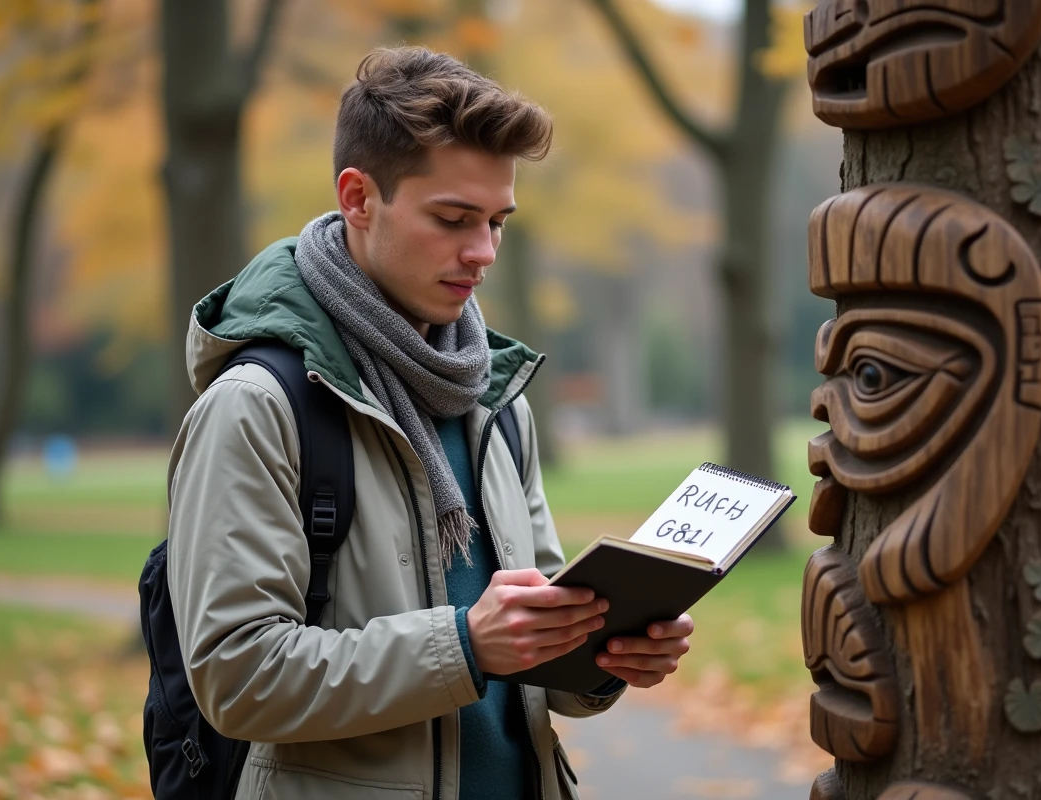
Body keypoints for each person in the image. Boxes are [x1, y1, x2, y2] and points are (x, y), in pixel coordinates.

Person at [166, 46, 694, 800]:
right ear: (358, 198)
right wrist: (465, 645)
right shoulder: (257, 405)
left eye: (498, 221)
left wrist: (605, 657)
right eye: (453, 219)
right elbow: (238, 677)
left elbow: (537, 659)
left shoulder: (497, 400)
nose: (483, 252)